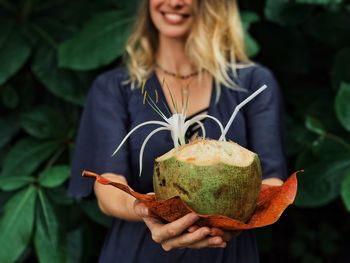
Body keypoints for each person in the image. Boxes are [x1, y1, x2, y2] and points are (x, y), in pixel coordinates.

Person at [68, 0, 287, 262]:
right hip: (138, 252)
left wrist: (233, 222)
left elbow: (273, 182)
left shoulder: (254, 83)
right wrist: (148, 210)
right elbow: (107, 185)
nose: (174, 2)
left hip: (228, 253)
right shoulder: (114, 87)